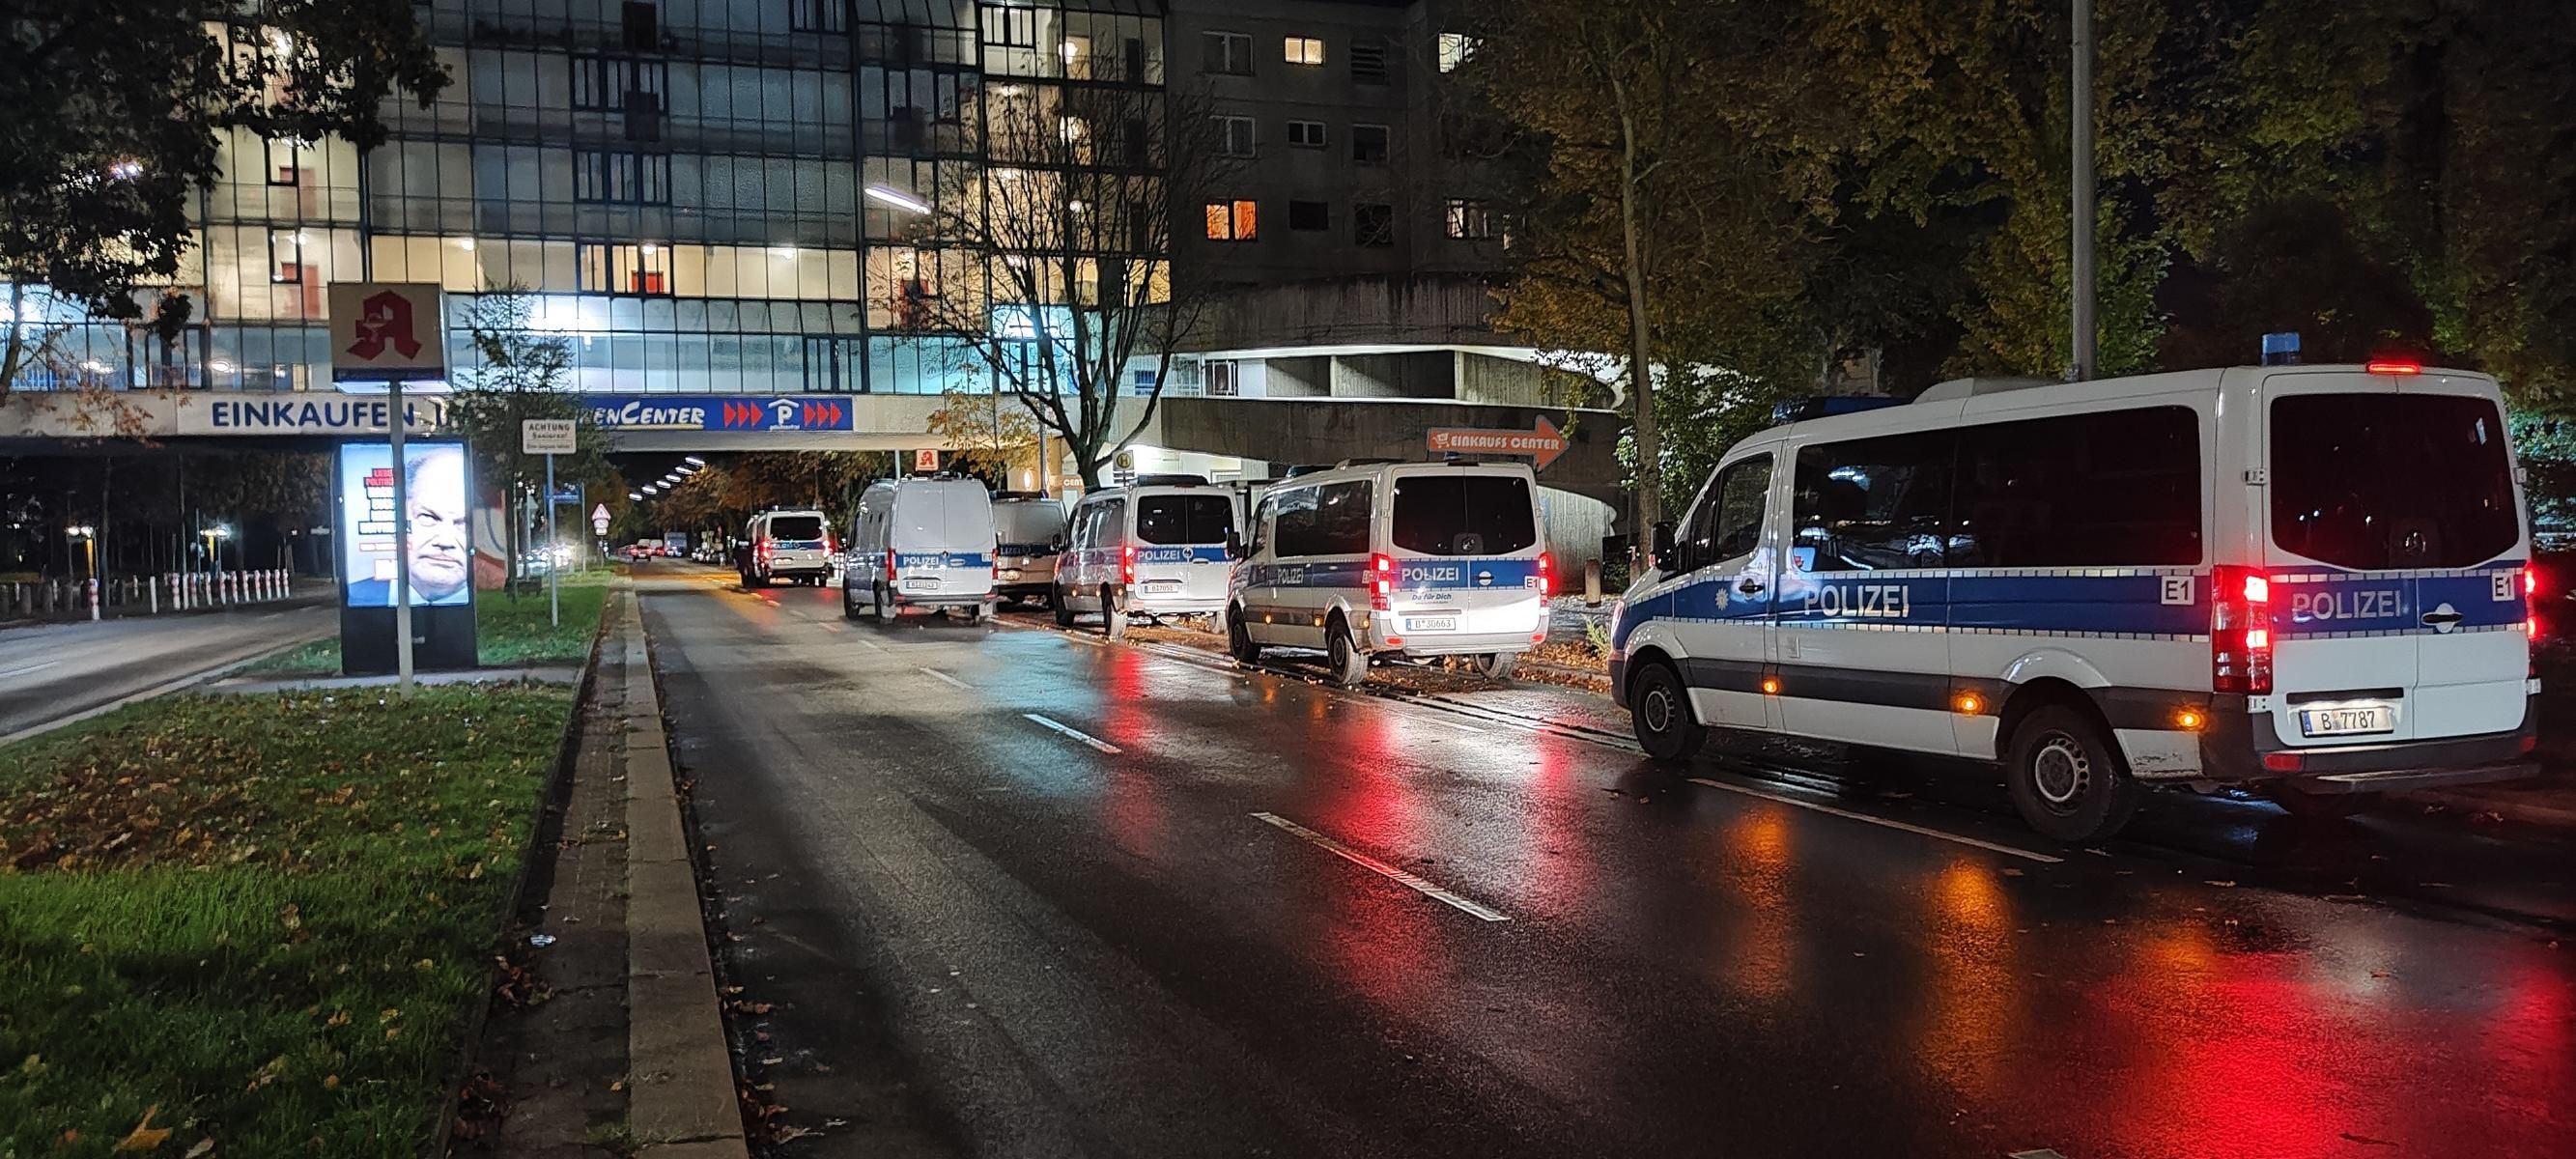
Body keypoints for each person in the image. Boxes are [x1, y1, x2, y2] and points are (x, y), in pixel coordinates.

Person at [350, 446, 472, 607]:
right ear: (399, 514)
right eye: (428, 517)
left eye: (461, 523)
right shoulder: (357, 596)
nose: (445, 540)